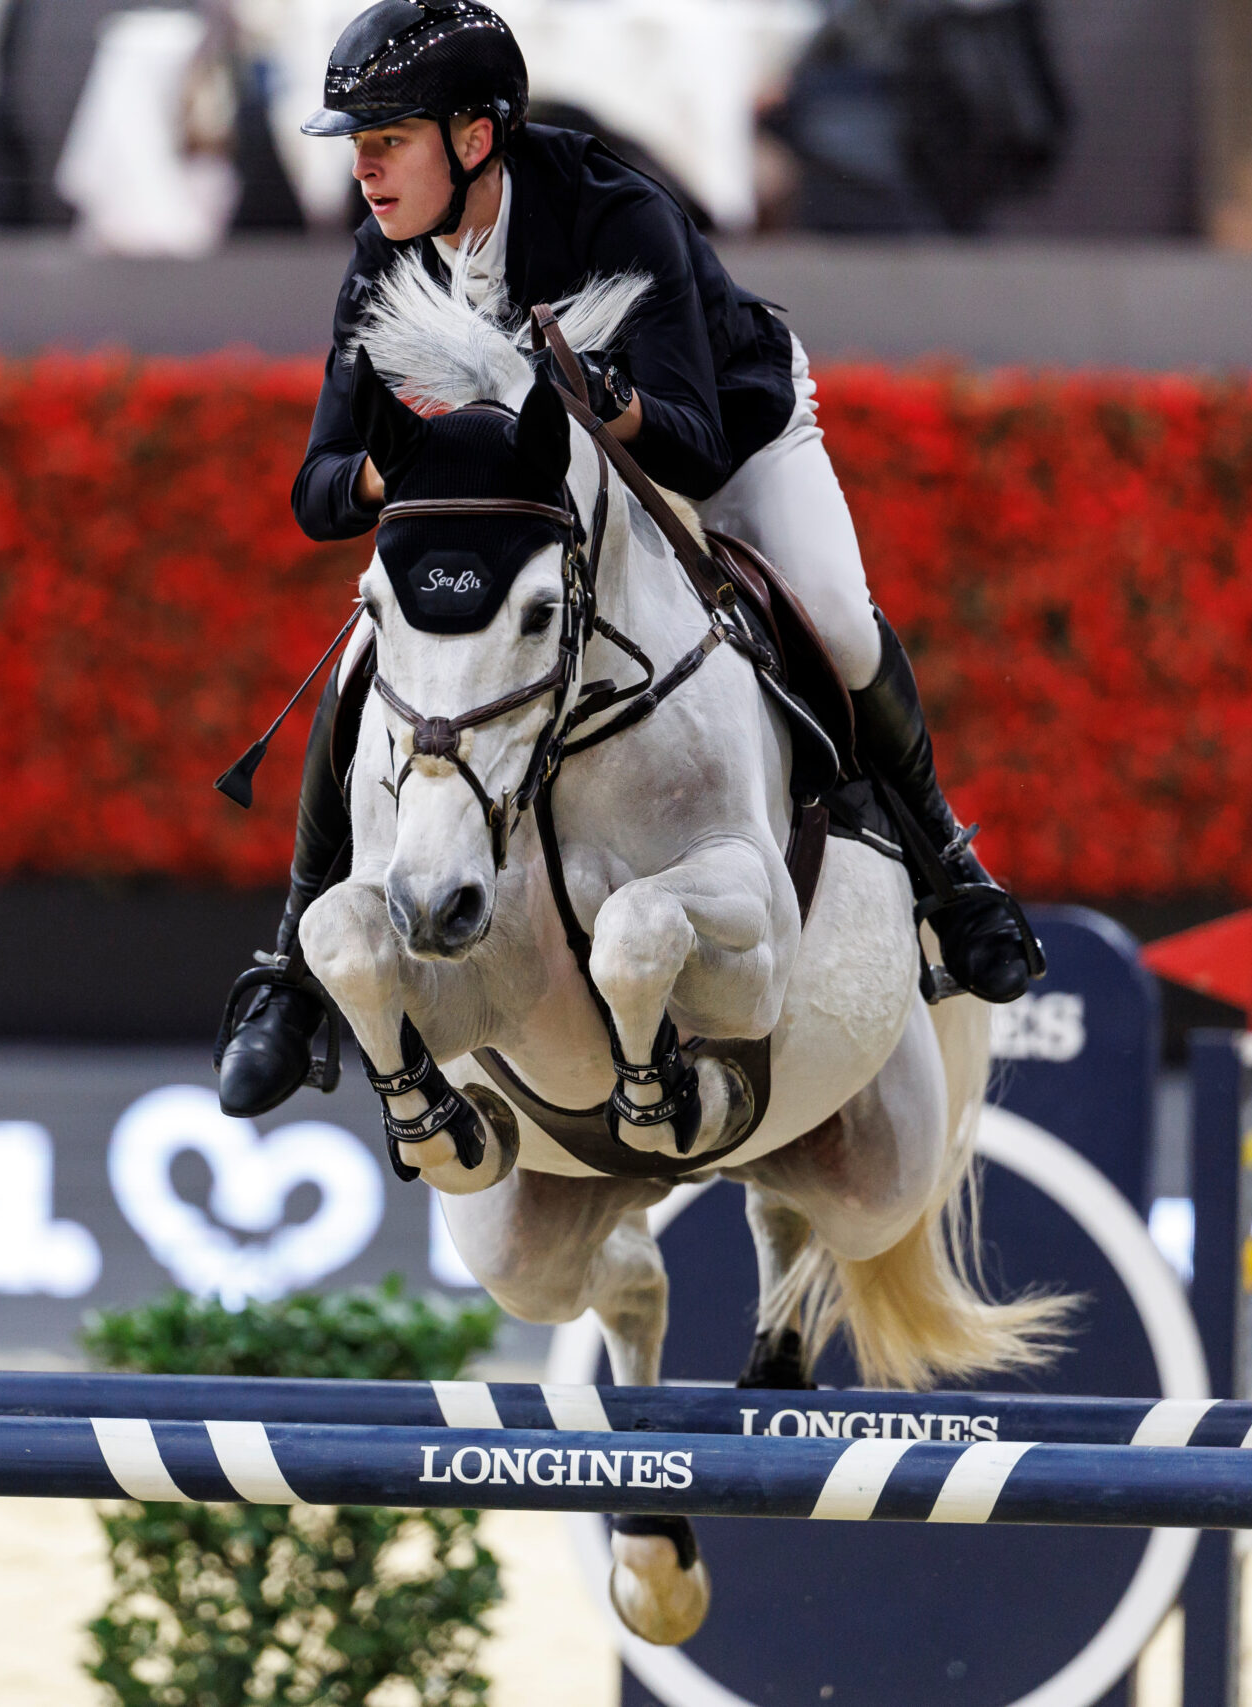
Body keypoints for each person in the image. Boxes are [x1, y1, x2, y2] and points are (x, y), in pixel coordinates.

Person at [215, 0, 1038, 1118]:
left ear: (472, 137)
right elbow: (319, 493)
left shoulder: (617, 215)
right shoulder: (383, 254)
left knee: (836, 618)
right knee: (373, 647)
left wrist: (598, 402)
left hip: (725, 433)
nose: (362, 170)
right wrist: (389, 472)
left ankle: (954, 879)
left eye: (385, 140)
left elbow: (694, 447)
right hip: (531, 491)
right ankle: (291, 978)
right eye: (356, 145)